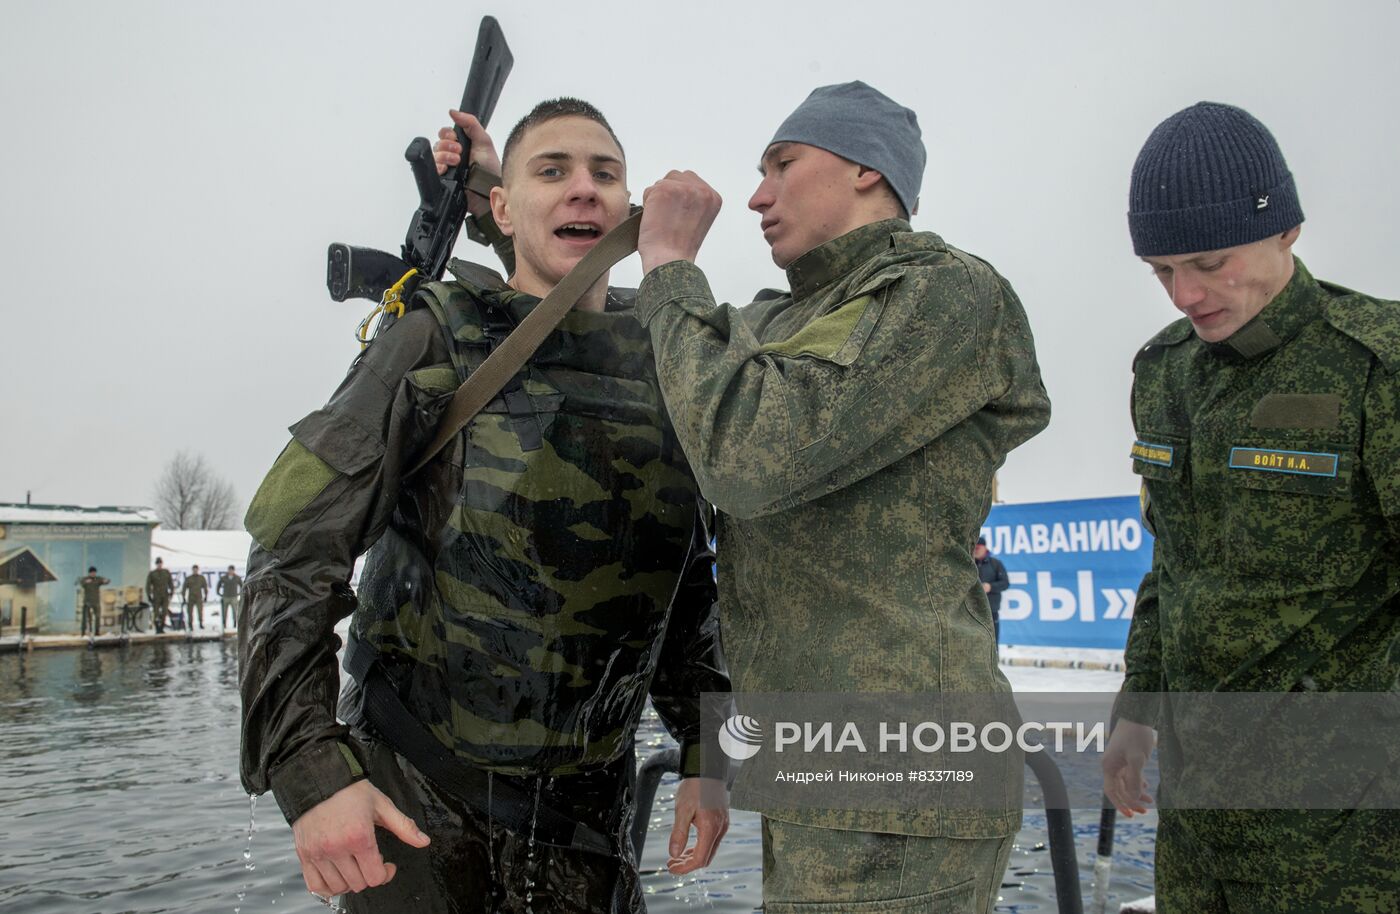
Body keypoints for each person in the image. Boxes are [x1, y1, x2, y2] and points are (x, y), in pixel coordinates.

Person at [239, 97, 729, 914]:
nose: (584, 190)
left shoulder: (673, 355)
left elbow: (687, 585)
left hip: (589, 821)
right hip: (418, 800)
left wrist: (706, 756)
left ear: (631, 207)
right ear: (500, 207)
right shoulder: (435, 338)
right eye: (552, 171)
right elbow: (290, 552)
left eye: (604, 174)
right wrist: (313, 774)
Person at [633, 81, 1051, 912]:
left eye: (782, 164)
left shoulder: (944, 292)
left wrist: (673, 268)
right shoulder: (783, 320)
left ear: (865, 169)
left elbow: (749, 453)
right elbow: (646, 346)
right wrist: (487, 204)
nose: (756, 196)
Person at [1101, 101, 1400, 913]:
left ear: (1286, 231)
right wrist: (1138, 707)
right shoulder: (1165, 373)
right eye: (1161, 271)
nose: (1186, 295)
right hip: (1200, 818)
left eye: (1209, 260)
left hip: (1350, 831)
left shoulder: (1376, 365)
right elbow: (1174, 560)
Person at [974, 536, 1010, 643]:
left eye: (978, 548)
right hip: (972, 610)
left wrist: (990, 587)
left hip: (991, 610)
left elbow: (1005, 583)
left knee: (992, 641)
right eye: (973, 548)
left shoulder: (995, 564)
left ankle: (994, 659)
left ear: (985, 548)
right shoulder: (969, 565)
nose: (975, 551)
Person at [78, 566, 109, 636]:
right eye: (92, 572)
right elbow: (81, 583)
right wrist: (86, 582)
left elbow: (106, 581)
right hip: (87, 602)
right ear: (89, 573)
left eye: (94, 572)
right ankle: (83, 633)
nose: (93, 574)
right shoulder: (85, 579)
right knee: (85, 618)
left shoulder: (98, 579)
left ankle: (97, 632)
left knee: (98, 617)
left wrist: (106, 580)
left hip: (96, 602)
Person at [146, 557, 174, 633]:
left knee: (165, 611)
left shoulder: (166, 572)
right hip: (156, 595)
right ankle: (157, 628)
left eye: (160, 563)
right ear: (156, 564)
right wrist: (149, 596)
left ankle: (162, 627)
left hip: (165, 595)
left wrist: (172, 592)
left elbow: (171, 583)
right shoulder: (152, 573)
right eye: (158, 563)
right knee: (156, 612)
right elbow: (148, 585)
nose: (159, 565)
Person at [181, 565, 207, 630]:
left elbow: (205, 587)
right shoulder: (189, 578)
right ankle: (190, 624)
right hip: (191, 597)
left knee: (200, 611)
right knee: (190, 611)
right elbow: (184, 588)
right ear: (192, 570)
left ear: (198, 570)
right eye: (194, 569)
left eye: (196, 569)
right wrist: (183, 597)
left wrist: (206, 596)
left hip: (199, 597)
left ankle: (200, 623)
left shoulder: (201, 578)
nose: (195, 571)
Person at [217, 565, 241, 630]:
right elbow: (218, 584)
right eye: (229, 570)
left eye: (232, 570)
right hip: (226, 597)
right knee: (224, 611)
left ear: (233, 570)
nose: (230, 571)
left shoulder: (237, 578)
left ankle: (234, 623)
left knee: (234, 611)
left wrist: (239, 593)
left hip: (234, 597)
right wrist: (218, 592)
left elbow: (242, 586)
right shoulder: (224, 578)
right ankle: (224, 623)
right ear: (228, 570)